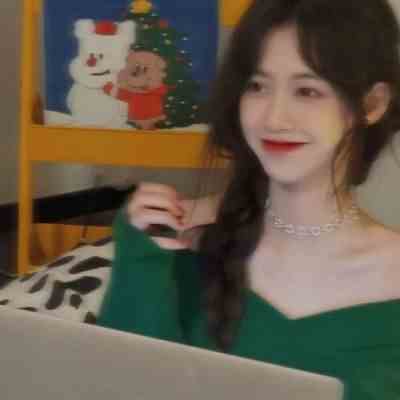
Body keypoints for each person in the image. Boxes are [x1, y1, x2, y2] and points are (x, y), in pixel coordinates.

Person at [97, 0, 400, 398]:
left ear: (372, 104)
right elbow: (118, 387)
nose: (274, 118)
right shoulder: (170, 242)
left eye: (307, 91)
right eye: (257, 86)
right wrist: (141, 260)